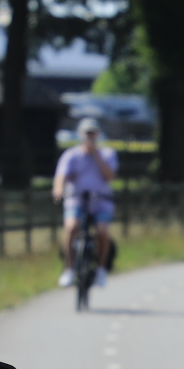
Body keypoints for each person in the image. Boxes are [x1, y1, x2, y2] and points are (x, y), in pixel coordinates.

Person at [54, 118, 117, 289]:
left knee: (102, 231)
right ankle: (69, 269)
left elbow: (110, 176)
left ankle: (101, 270)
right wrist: (59, 190)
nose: (90, 137)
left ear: (98, 134)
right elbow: (61, 175)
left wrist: (95, 154)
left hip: (101, 200)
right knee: (71, 227)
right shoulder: (71, 155)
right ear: (81, 135)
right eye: (87, 133)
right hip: (77, 199)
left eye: (93, 133)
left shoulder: (108, 154)